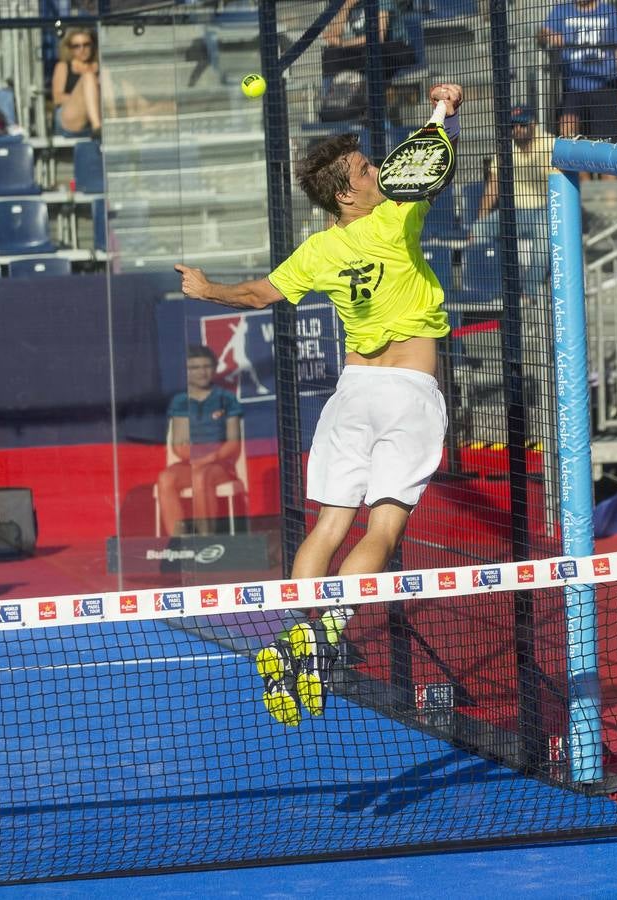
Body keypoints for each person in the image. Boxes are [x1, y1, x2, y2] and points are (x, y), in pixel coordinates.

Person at [175, 82, 463, 727]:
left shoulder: (318, 250)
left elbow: (256, 295)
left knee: (328, 528)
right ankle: (326, 634)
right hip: (408, 395)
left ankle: (297, 635)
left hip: (351, 395)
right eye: (365, 169)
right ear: (347, 195)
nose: (378, 171)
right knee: (382, 529)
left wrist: (207, 289)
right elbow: (427, 160)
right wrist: (444, 107)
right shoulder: (396, 219)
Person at [469, 105, 557, 303]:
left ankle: (529, 292)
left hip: (546, 210)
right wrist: (480, 220)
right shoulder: (505, 149)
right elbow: (493, 187)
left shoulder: (551, 143)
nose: (517, 129)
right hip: (515, 213)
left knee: (544, 237)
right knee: (478, 230)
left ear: (533, 124)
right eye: (513, 126)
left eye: (522, 125)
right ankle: (487, 287)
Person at [156, 345, 243, 538]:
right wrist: (196, 459)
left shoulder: (227, 399)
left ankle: (206, 541)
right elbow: (179, 445)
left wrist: (209, 458)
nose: (201, 372)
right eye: (194, 367)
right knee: (166, 478)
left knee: (200, 477)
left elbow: (233, 443)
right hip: (191, 463)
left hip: (220, 465)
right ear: (186, 371)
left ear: (214, 368)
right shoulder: (180, 401)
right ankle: (179, 541)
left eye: (206, 366)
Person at [538, 0, 617, 141]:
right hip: (573, 87)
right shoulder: (561, 10)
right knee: (567, 128)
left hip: (605, 86)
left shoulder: (609, 12)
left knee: (605, 141)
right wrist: (547, 35)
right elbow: (540, 35)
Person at [51, 28, 102, 139]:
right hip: (69, 118)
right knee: (88, 77)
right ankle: (97, 128)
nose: (82, 49)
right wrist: (88, 97)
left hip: (99, 113)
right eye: (76, 46)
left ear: (93, 45)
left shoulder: (101, 67)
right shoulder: (63, 66)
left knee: (107, 74)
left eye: (86, 45)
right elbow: (57, 98)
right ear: (69, 48)